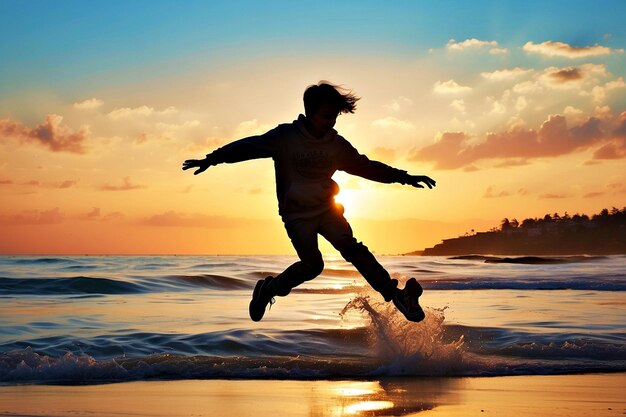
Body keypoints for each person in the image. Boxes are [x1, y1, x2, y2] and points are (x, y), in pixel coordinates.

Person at [183, 82, 436, 323]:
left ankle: (396, 296)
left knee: (352, 248)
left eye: (335, 117)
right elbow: (249, 146)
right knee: (312, 265)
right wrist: (213, 158)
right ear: (310, 112)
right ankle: (268, 289)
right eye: (327, 116)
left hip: (328, 209)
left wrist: (404, 178)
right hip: (297, 215)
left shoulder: (336, 144)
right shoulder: (286, 137)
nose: (331, 122)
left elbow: (366, 167)